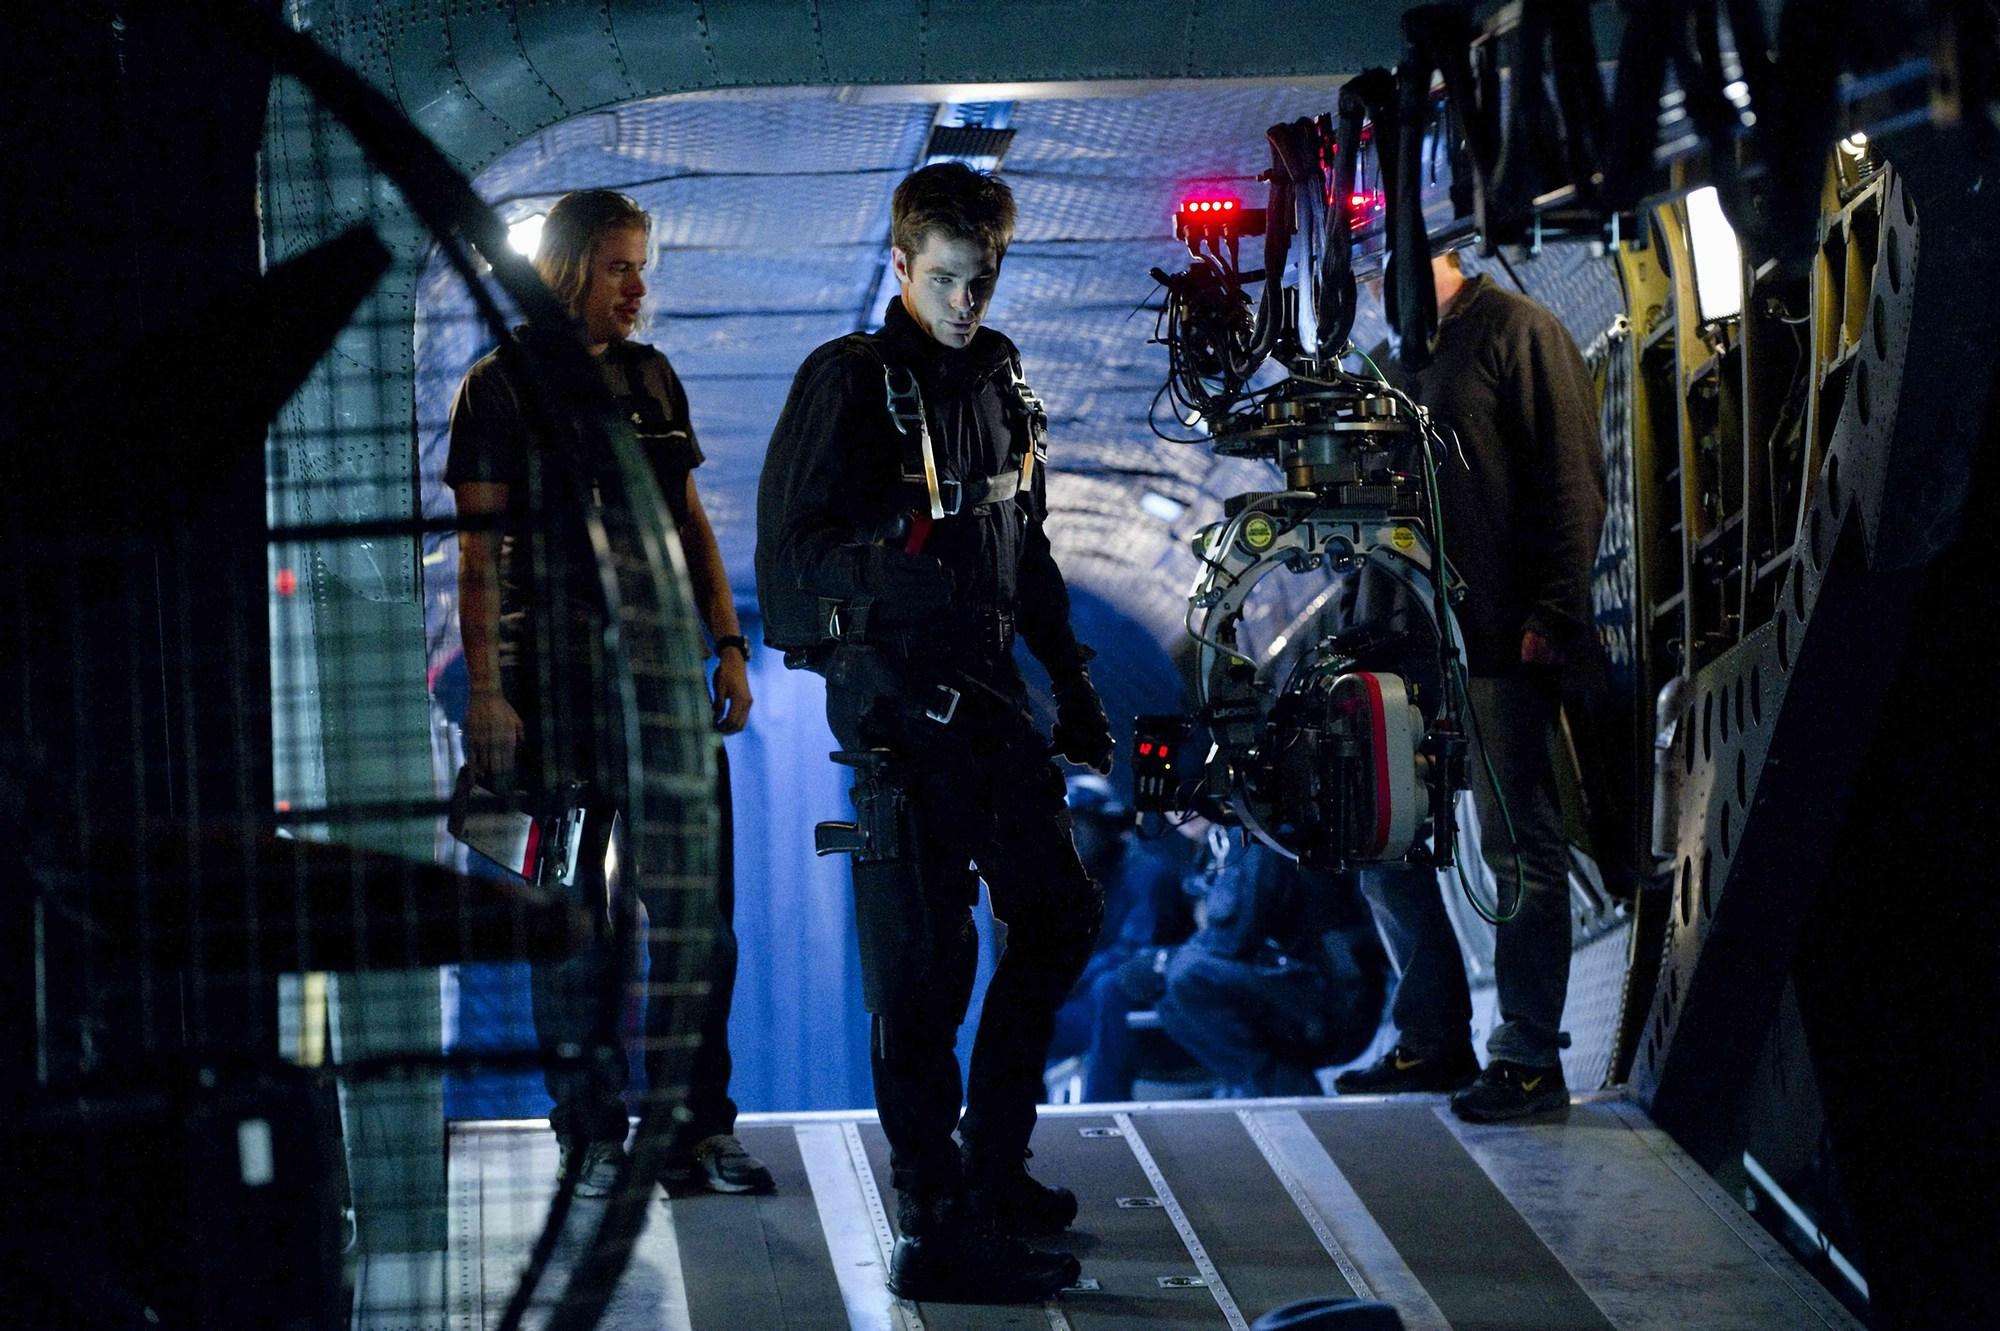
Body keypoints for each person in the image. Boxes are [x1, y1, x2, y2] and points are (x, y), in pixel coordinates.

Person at [756, 162, 1110, 1302]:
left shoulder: (999, 378)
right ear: (902, 265)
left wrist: (1073, 681)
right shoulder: (849, 385)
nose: (965, 302)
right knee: (922, 975)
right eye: (946, 279)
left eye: (981, 280)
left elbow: (1025, 545)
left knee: (1057, 916)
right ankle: (935, 1218)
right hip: (902, 719)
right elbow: (790, 571)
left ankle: (992, 1162)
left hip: (992, 707)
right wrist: (890, 581)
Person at [448, 189, 771, 1197]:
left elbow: (690, 522)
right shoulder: (498, 388)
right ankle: (588, 1133)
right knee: (571, 923)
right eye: (619, 267)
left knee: (699, 923)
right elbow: (476, 554)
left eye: (641, 267)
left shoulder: (651, 378)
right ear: (569, 269)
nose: (638, 288)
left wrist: (727, 644)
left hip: (662, 686)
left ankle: (697, 1129)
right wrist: (488, 693)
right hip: (554, 694)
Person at [1335, 247, 1605, 1122]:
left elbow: (1572, 479)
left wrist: (1555, 610)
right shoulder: (1389, 361)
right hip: (1398, 638)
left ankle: (1528, 1056)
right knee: (1384, 837)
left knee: (1514, 840)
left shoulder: (1521, 332)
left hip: (1495, 634)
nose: (1368, 274)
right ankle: (1432, 1035)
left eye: (1380, 254)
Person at [1156, 837, 1385, 1098]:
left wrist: (1163, 960)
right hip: (1299, 984)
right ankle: (1272, 1093)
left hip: (1338, 995)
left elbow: (1231, 938)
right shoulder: (1213, 850)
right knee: (1169, 998)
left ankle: (1289, 1102)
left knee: (1188, 975)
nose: (1181, 817)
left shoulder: (1255, 838)